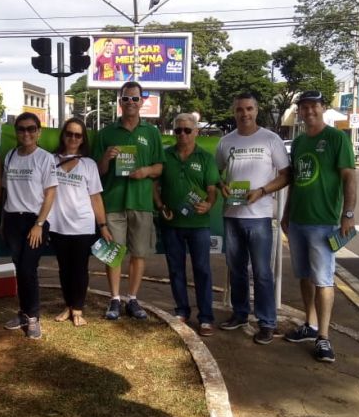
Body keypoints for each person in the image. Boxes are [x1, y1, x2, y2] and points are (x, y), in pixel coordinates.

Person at [281, 90, 357, 363]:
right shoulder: (300, 142)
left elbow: (349, 177)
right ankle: (310, 324)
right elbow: (295, 181)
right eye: (304, 107)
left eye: (314, 106)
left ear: (323, 108)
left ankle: (324, 337)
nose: (309, 111)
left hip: (323, 222)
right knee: (304, 276)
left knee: (324, 279)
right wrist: (287, 213)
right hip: (299, 221)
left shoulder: (336, 139)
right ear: (299, 111)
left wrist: (348, 214)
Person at [215, 93, 290, 345]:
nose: (244, 114)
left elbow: (286, 174)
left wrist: (262, 191)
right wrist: (221, 185)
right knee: (236, 269)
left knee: (261, 272)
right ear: (233, 112)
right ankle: (240, 313)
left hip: (259, 217)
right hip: (232, 215)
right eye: (239, 110)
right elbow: (216, 174)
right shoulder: (226, 142)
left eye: (249, 109)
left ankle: (267, 321)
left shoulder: (271, 139)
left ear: (256, 110)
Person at [93, 81, 164, 320]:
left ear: (142, 101)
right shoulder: (106, 133)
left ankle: (133, 299)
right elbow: (97, 172)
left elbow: (160, 167)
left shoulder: (152, 132)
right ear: (119, 102)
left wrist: (145, 172)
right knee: (114, 253)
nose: (130, 103)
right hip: (113, 202)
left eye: (135, 98)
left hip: (142, 203)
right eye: (126, 99)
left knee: (139, 253)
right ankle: (114, 299)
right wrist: (106, 157)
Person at [153, 113, 218, 337]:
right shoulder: (165, 155)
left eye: (187, 130)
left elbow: (212, 190)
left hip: (199, 225)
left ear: (196, 132)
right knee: (175, 270)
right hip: (172, 224)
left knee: (202, 270)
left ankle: (206, 317)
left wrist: (209, 205)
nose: (182, 134)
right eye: (178, 130)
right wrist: (161, 206)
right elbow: (154, 184)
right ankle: (181, 311)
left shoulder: (206, 158)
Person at [49, 118, 112, 327]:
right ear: (63, 135)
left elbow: (95, 197)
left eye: (78, 135)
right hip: (57, 225)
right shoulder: (50, 160)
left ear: (83, 138)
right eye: (69, 133)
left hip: (83, 226)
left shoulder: (89, 164)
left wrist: (103, 226)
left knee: (79, 268)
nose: (73, 138)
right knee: (64, 268)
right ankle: (68, 306)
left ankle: (77, 308)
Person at [1, 113, 57, 339]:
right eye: (22, 129)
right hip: (13, 219)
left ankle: (33, 317)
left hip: (35, 221)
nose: (27, 133)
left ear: (39, 132)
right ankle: (23, 313)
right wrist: (3, 222)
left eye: (31, 129)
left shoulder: (45, 158)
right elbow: (6, 190)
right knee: (19, 267)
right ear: (16, 132)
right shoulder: (11, 156)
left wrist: (39, 224)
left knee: (27, 269)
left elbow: (50, 193)